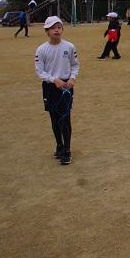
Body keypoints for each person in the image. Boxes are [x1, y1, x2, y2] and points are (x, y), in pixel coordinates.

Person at [34, 16, 79, 165]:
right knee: (54, 118)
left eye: (59, 27)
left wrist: (72, 78)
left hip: (66, 87)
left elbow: (75, 65)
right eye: (53, 28)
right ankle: (59, 145)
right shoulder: (41, 50)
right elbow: (40, 71)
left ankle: (67, 150)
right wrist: (54, 80)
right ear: (47, 31)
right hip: (50, 88)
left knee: (65, 118)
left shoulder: (69, 47)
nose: (56, 30)